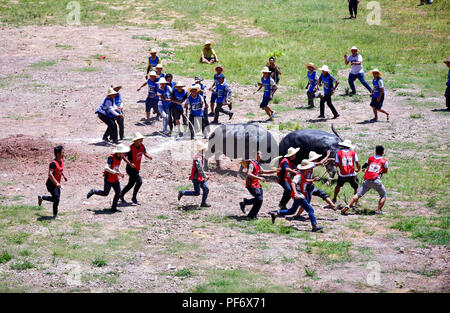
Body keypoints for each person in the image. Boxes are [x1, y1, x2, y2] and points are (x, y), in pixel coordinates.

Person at [269, 160, 324, 232]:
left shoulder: (302, 175)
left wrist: (312, 180)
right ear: (305, 168)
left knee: (291, 211)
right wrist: (295, 193)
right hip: (299, 196)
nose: (309, 169)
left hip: (299, 196)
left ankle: (276, 214)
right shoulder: (298, 175)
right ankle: (314, 226)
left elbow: (304, 180)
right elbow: (293, 183)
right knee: (310, 210)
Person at [341, 145, 389, 215]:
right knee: (383, 195)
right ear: (383, 152)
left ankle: (348, 205)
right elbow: (385, 171)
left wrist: (364, 169)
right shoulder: (384, 161)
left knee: (358, 194)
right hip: (376, 180)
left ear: (375, 151)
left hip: (367, 180)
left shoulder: (370, 158)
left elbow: (364, 166)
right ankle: (379, 211)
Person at [87, 144, 132, 213]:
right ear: (119, 152)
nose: (124, 153)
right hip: (109, 178)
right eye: (123, 152)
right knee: (105, 193)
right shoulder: (111, 157)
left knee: (118, 192)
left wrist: (120, 173)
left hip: (115, 178)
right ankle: (94, 191)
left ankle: (113, 208)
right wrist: (114, 172)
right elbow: (106, 167)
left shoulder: (120, 157)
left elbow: (117, 166)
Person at [239, 151, 277, 219]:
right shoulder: (252, 164)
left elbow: (263, 171)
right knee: (259, 199)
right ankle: (250, 214)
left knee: (260, 199)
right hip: (251, 184)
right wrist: (259, 177)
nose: (261, 155)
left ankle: (249, 209)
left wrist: (275, 171)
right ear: (256, 155)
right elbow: (249, 174)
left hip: (256, 184)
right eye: (260, 154)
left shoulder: (257, 164)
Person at [119, 133, 152, 204]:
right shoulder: (130, 148)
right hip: (130, 169)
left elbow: (144, 152)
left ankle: (121, 194)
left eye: (142, 140)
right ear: (136, 140)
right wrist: (130, 163)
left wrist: (148, 156)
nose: (142, 141)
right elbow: (123, 156)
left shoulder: (142, 146)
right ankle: (134, 198)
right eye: (140, 140)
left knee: (131, 184)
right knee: (139, 182)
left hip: (136, 168)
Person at [178, 141, 210, 207]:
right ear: (202, 150)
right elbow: (200, 169)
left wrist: (204, 175)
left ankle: (203, 203)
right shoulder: (198, 158)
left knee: (206, 189)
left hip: (200, 177)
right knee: (197, 193)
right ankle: (182, 192)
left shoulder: (200, 156)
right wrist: (205, 176)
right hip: (197, 178)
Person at [38, 145, 67, 218]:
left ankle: (42, 197)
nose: (64, 154)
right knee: (56, 199)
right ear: (58, 154)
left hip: (57, 184)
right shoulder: (53, 163)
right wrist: (56, 183)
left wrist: (64, 176)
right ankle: (55, 216)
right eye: (63, 152)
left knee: (56, 199)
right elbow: (50, 174)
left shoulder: (61, 161)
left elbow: (60, 169)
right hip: (51, 184)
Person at [332, 140, 361, 205]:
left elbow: (336, 164)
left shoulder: (338, 153)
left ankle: (334, 199)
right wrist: (358, 169)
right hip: (352, 174)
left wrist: (334, 164)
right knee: (356, 187)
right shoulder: (353, 153)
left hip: (342, 174)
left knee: (338, 186)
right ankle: (356, 201)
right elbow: (357, 162)